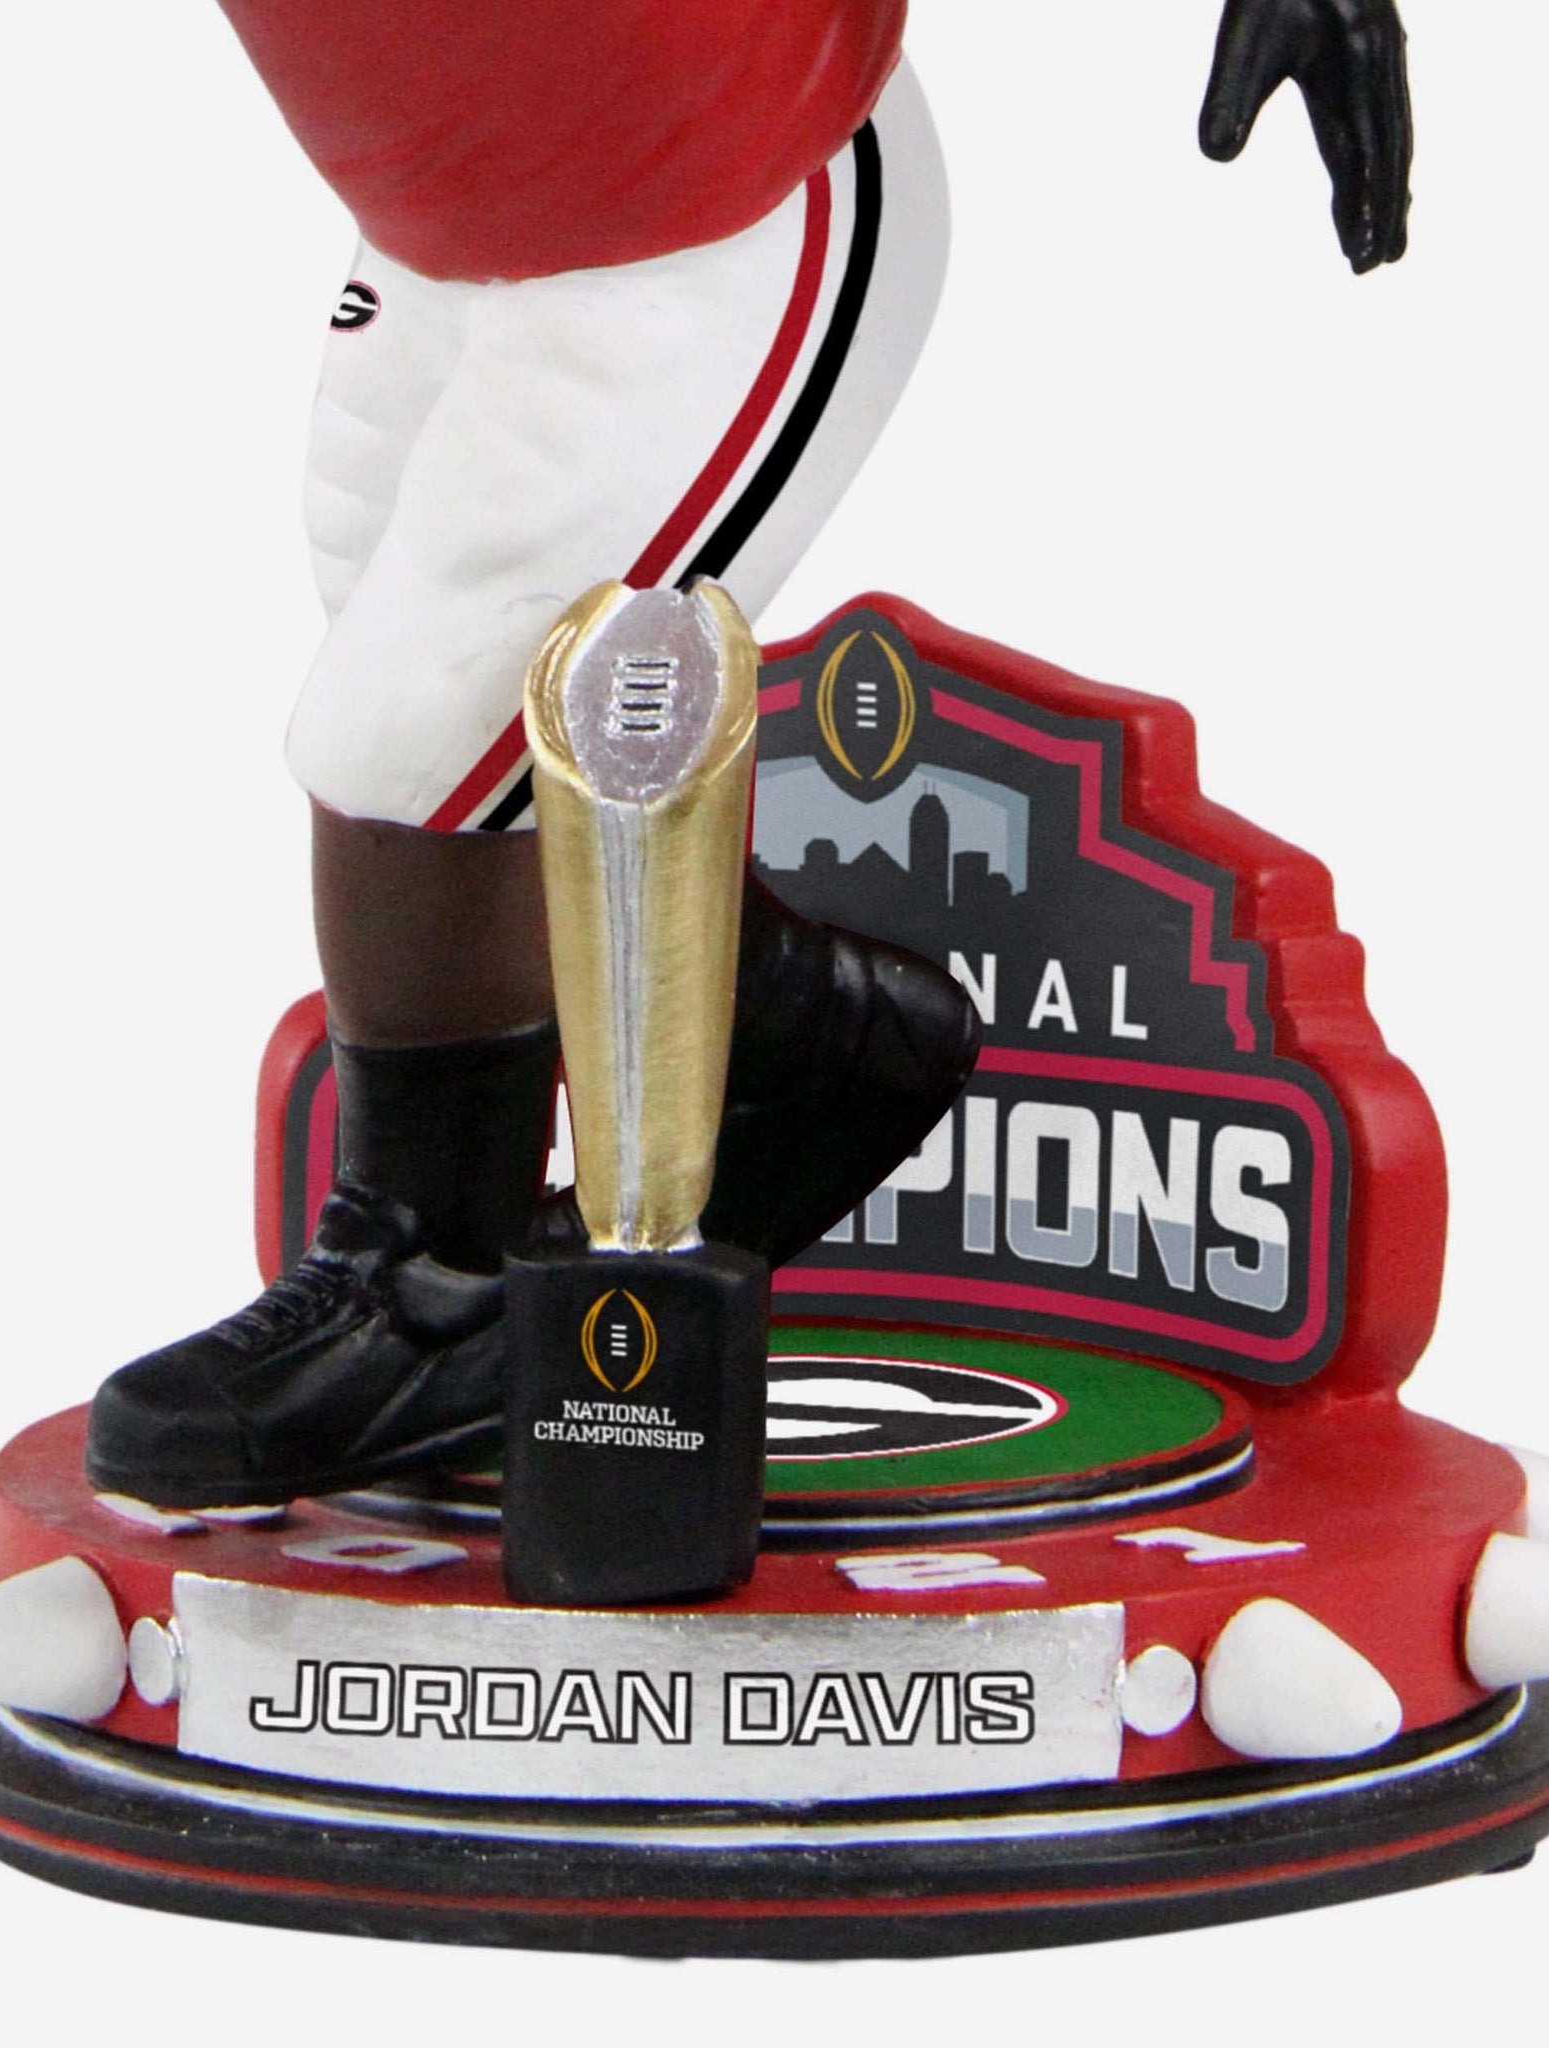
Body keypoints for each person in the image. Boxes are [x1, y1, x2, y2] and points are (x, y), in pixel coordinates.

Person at [84, 0, 1413, 1508]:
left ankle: (433, 1283)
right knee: (427, 694)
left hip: (704, 217)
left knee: (423, 733)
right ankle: (795, 1033)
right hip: (437, 212)